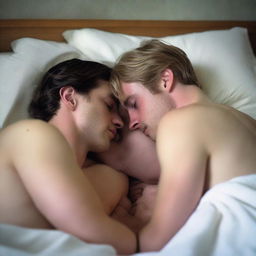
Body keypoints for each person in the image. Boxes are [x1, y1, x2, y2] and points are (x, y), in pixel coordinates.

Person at [110, 39, 256, 252]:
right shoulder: (245, 119)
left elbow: (157, 241)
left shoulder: (180, 121)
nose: (131, 122)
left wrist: (128, 222)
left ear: (165, 79)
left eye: (133, 104)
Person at [0, 59, 136, 254]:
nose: (119, 122)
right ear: (70, 97)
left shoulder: (111, 177)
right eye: (108, 105)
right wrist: (136, 226)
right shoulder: (32, 133)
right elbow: (105, 237)